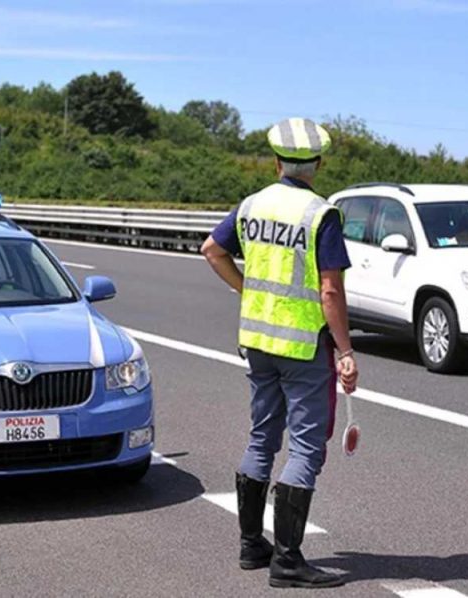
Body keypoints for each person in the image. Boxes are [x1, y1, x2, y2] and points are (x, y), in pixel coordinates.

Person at [201, 117, 360, 589]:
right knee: (307, 449)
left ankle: (253, 545)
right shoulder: (320, 214)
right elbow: (330, 291)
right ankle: (288, 560)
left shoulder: (252, 205)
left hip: (257, 342)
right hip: (303, 346)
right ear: (318, 164)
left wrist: (247, 291)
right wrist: (347, 349)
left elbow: (211, 249)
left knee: (261, 439)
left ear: (275, 162)